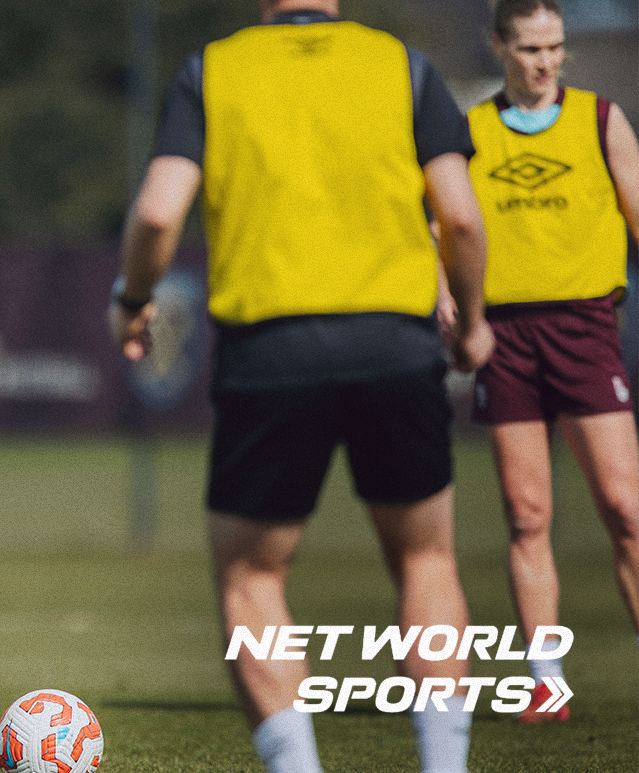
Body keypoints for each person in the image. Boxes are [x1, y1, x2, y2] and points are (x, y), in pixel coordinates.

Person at [111, 1, 494, 771]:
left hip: (270, 351)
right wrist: (474, 320)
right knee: (425, 561)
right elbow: (461, 218)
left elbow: (156, 216)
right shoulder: (402, 65)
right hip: (393, 340)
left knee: (253, 575)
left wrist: (130, 299)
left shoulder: (211, 72)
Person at [461, 0, 639, 723]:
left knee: (625, 509)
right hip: (503, 336)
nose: (544, 61)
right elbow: (442, 227)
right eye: (529, 47)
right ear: (498, 47)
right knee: (526, 513)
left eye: (554, 47)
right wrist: (450, 301)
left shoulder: (600, 119)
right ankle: (545, 681)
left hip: (584, 327)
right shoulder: (468, 131)